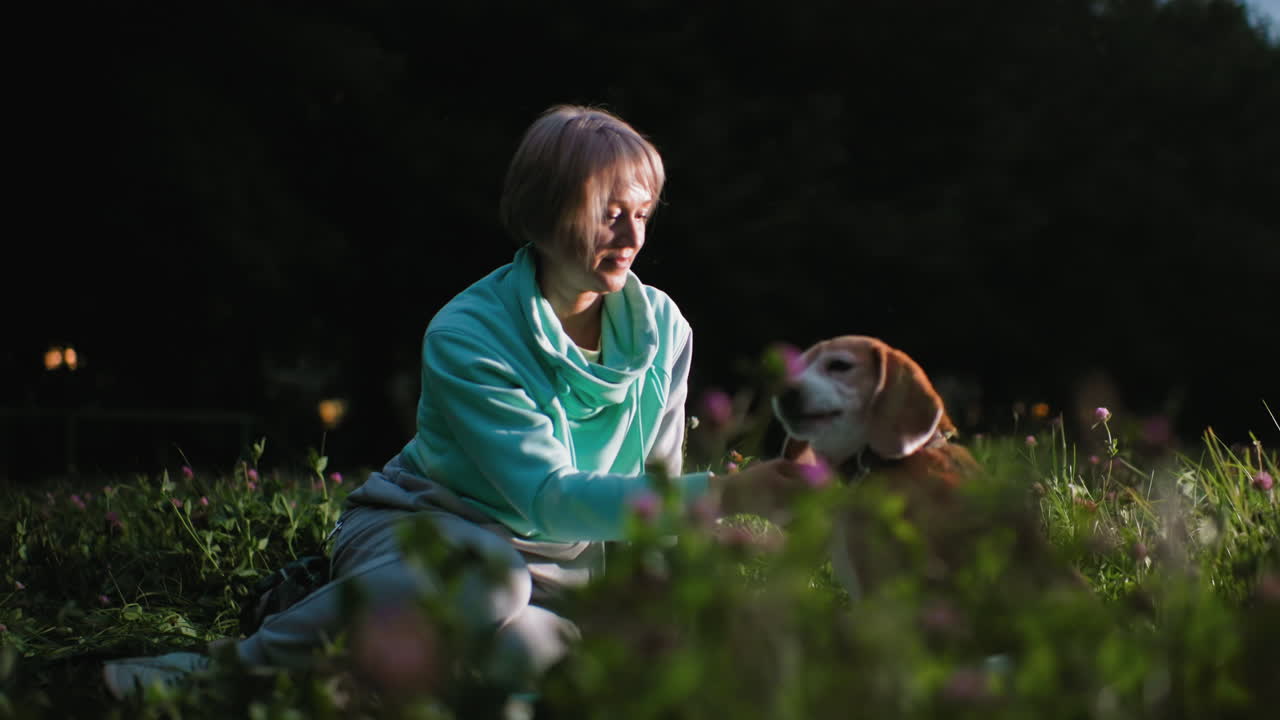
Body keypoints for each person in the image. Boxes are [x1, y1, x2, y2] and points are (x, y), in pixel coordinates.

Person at [103, 104, 811, 701]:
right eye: (609, 213)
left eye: (643, 213)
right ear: (543, 212)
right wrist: (722, 496)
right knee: (489, 578)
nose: (632, 238)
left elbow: (650, 496)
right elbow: (546, 498)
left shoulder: (663, 329)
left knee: (545, 658)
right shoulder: (468, 333)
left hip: (554, 577)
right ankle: (222, 671)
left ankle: (368, 659)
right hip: (427, 530)